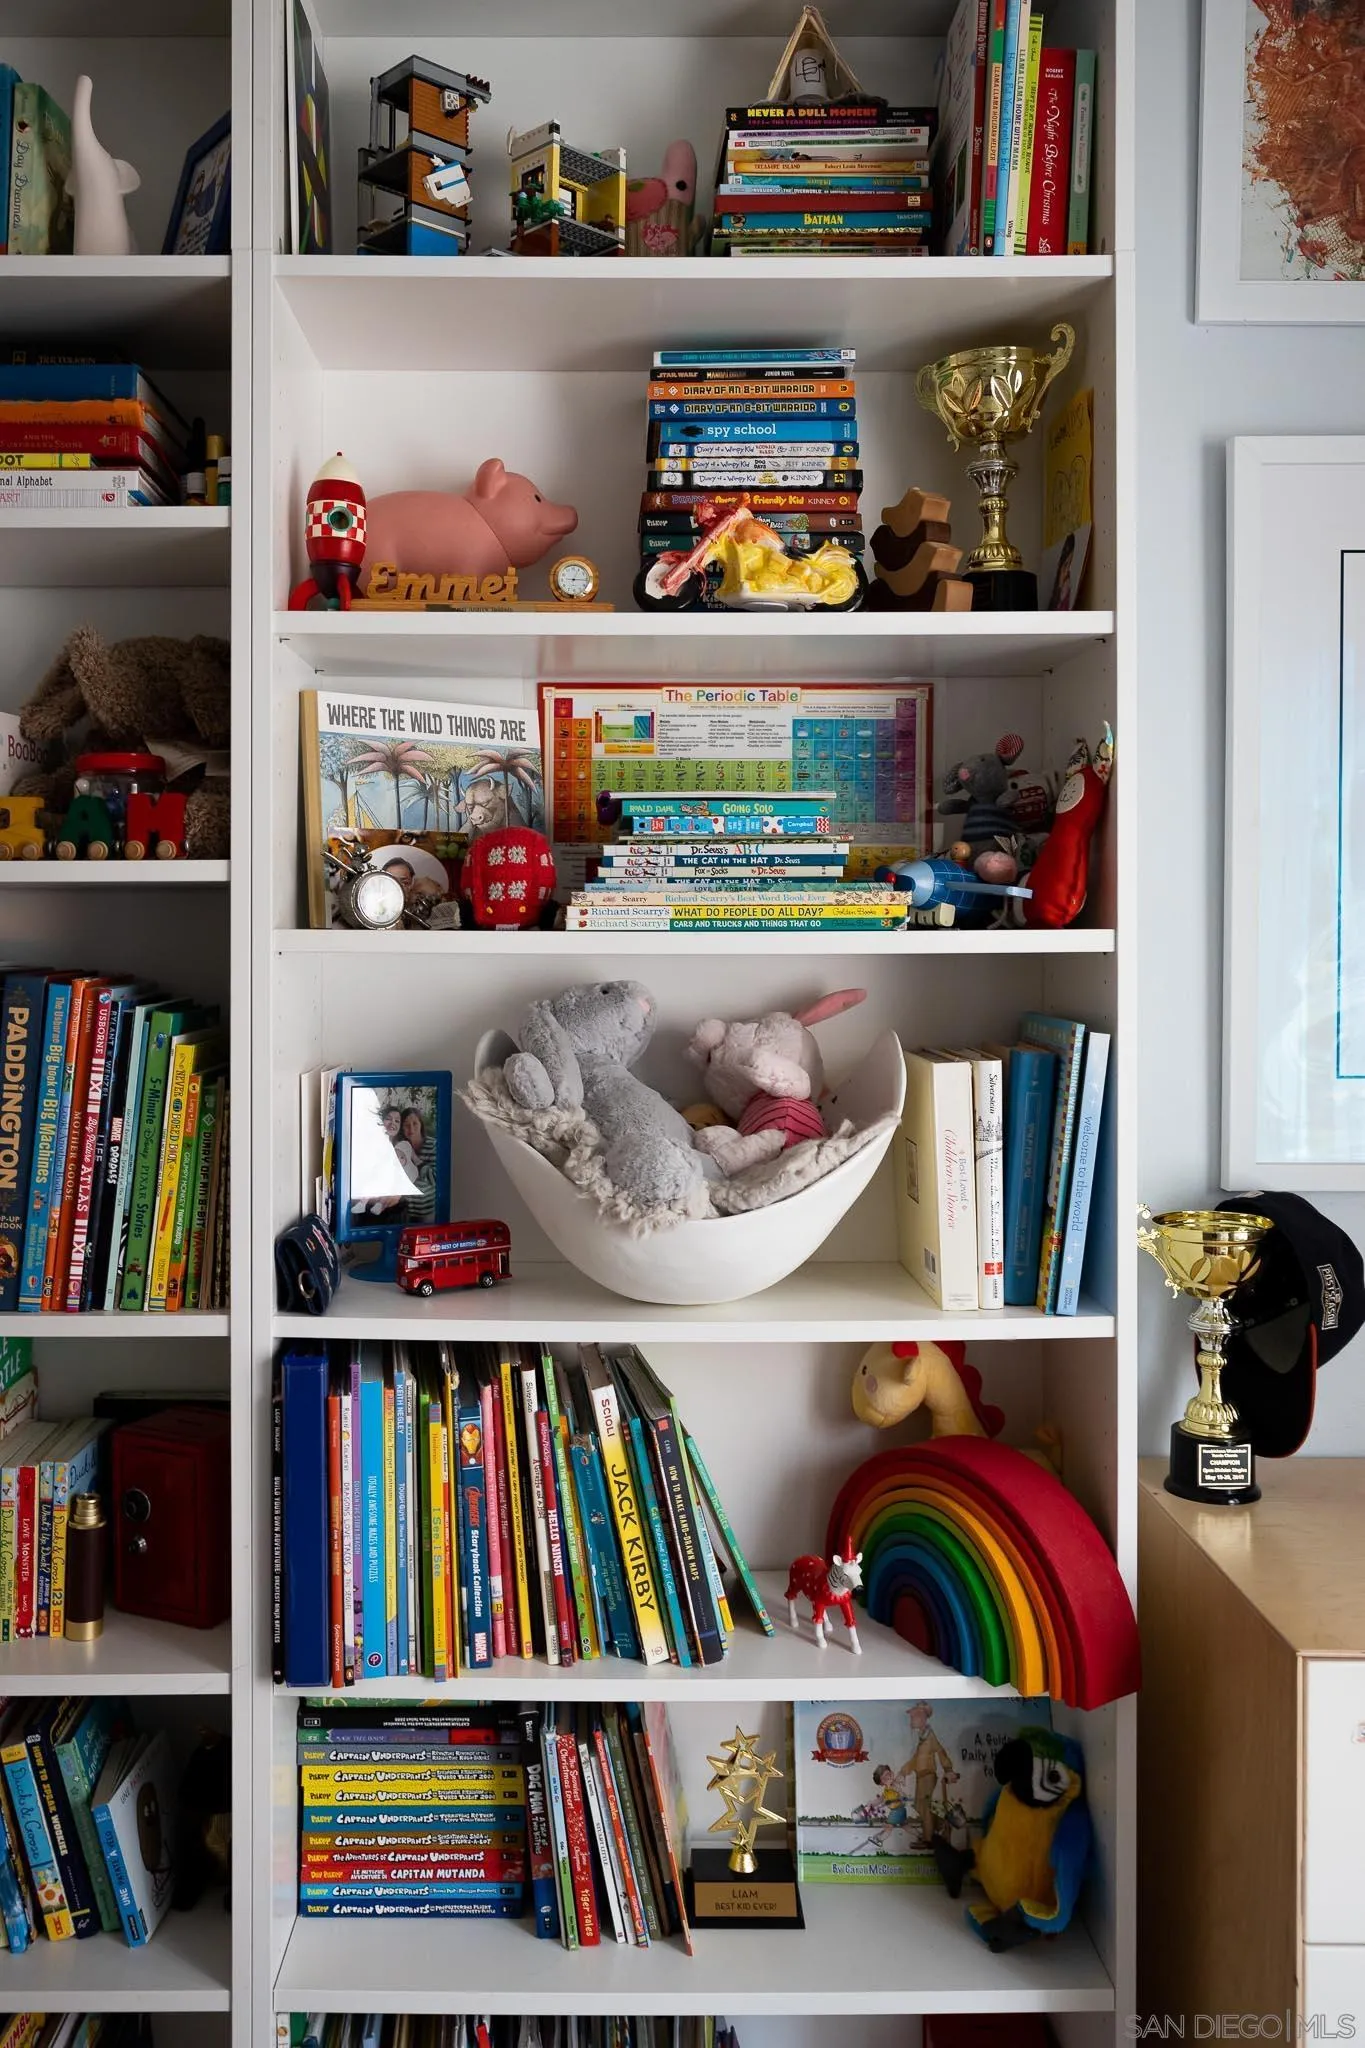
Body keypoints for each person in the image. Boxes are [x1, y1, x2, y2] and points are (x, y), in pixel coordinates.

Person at [899, 1702, 958, 1848]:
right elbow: (915, 1760)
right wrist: (903, 1772)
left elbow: (941, 1752)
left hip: (927, 1777)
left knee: (925, 1807)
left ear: (922, 1717)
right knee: (922, 1807)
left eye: (913, 1716)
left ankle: (928, 1839)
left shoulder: (930, 1737)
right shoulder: (922, 1738)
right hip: (921, 1778)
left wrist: (948, 1769)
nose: (911, 1720)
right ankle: (938, 1831)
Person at [398, 1104, 437, 1224]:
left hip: (427, 1211)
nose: (411, 1128)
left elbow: (435, 1178)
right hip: (405, 1210)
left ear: (421, 1125)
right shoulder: (399, 1147)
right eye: (406, 1125)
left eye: (415, 1123)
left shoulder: (434, 1145)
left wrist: (415, 1158)